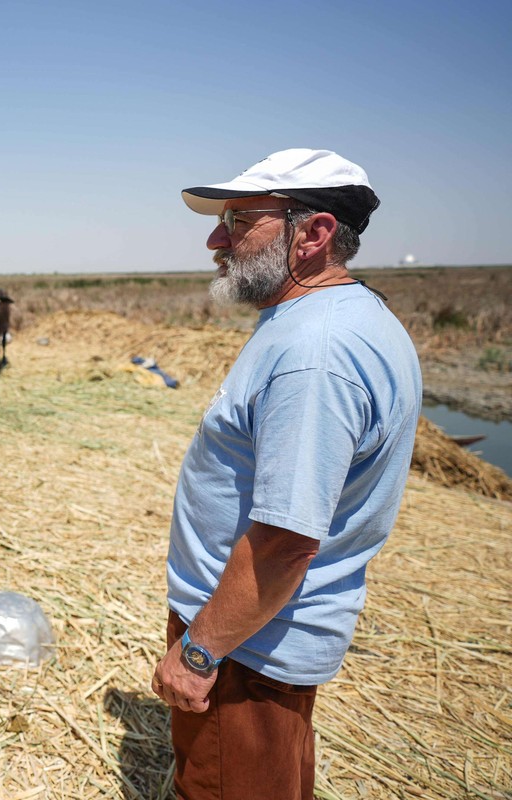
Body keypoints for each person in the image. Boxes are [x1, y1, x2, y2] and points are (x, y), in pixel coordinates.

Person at [150, 149, 422, 799]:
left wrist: (196, 655)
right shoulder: (329, 321)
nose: (216, 239)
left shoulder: (315, 356)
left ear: (315, 234)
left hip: (246, 651)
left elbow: (285, 541)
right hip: (250, 636)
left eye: (240, 220)